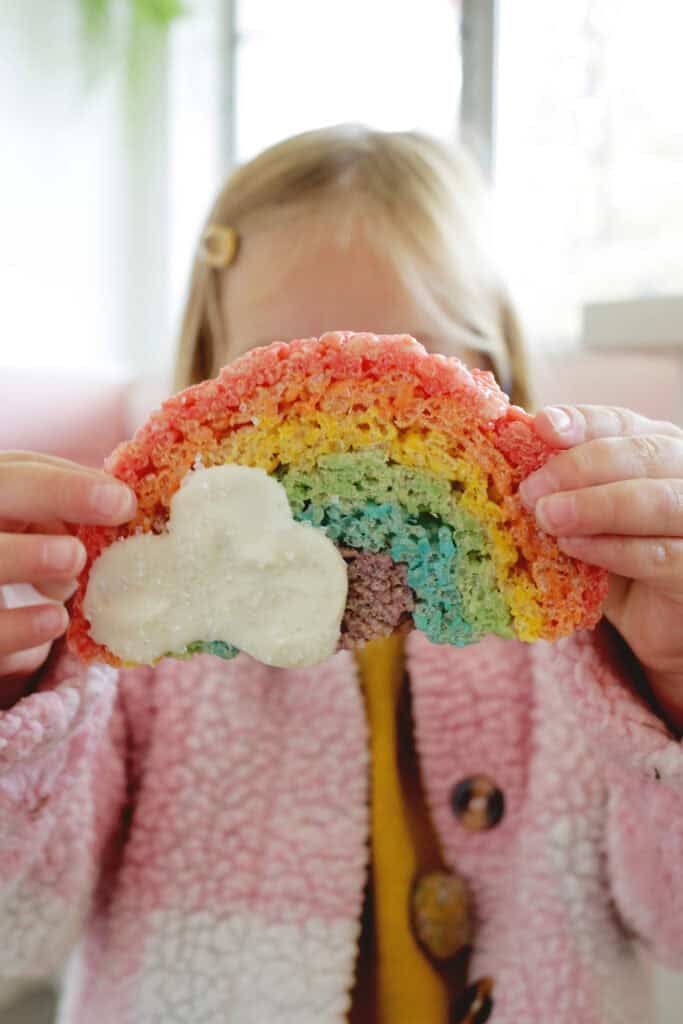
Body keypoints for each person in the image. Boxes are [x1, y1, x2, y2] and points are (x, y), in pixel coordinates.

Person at [1, 124, 683, 1024]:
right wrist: (18, 699)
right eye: (284, 371)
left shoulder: (588, 644)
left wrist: (669, 686)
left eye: (418, 363)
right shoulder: (138, 644)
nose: (358, 432)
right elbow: (22, 930)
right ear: (203, 398)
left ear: (495, 376)